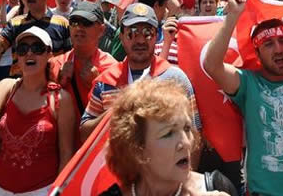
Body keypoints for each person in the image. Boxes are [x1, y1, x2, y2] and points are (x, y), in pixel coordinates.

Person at [203, 0, 283, 196]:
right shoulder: (248, 82)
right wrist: (232, 18)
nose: (278, 49)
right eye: (268, 44)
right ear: (257, 53)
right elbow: (212, 65)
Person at [0, 26, 75, 195]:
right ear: (17, 57)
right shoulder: (6, 87)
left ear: (49, 53)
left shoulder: (60, 99)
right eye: (22, 49)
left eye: (37, 48)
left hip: (41, 191)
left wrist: (58, 192)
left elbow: (66, 153)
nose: (29, 53)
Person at [80, 3, 201, 143]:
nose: (140, 40)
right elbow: (85, 133)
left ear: (156, 36)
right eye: (132, 33)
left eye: (147, 33)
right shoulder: (105, 83)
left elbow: (194, 132)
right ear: (122, 36)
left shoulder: (176, 79)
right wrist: (116, 111)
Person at [100, 78, 236, 196]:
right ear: (138, 150)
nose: (186, 143)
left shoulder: (216, 187)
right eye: (168, 133)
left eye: (187, 128)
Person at [0, 0, 71, 76]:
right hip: (21, 85)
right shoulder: (15, 23)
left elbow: (69, 57)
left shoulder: (63, 23)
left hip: (53, 86)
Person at [49, 1, 117, 117]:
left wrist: (97, 86)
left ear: (101, 30)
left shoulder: (112, 68)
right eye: (74, 22)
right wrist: (58, 84)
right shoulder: (55, 64)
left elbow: (116, 115)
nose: (79, 28)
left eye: (86, 23)